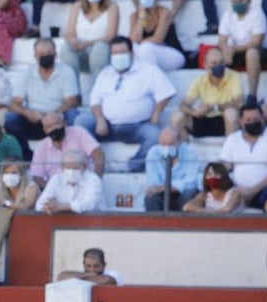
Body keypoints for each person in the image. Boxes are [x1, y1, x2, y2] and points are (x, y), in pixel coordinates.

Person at [75, 37, 175, 173]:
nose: (118, 56)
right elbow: (95, 101)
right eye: (115, 53)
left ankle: (132, 167)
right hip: (107, 126)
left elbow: (167, 92)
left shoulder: (148, 70)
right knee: (81, 122)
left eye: (122, 53)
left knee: (154, 135)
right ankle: (92, 164)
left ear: (131, 53)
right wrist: (99, 119)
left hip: (137, 126)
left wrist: (156, 113)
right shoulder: (105, 73)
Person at [5, 40, 81, 148]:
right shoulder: (28, 73)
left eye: (49, 53)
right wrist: (27, 113)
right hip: (34, 120)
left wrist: (53, 115)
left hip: (58, 119)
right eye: (41, 54)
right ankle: (25, 154)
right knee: (10, 119)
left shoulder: (66, 71)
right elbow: (15, 103)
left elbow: (72, 102)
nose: (45, 56)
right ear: (35, 57)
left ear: (55, 54)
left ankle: (69, 151)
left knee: (72, 115)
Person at [220, 101, 267, 208]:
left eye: (256, 120)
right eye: (248, 120)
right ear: (241, 122)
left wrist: (254, 190)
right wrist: (236, 189)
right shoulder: (232, 139)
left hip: (265, 190)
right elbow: (224, 168)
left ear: (263, 119)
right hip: (237, 191)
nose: (252, 122)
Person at [176, 47, 244, 138]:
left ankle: (230, 146)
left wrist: (215, 107)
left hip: (224, 120)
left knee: (231, 113)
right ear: (205, 65)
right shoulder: (199, 80)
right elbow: (183, 104)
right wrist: (194, 112)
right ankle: (185, 147)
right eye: (214, 63)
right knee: (177, 118)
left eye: (221, 62)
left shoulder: (233, 76)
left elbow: (239, 102)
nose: (218, 66)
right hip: (204, 119)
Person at [59, 0, 119, 76]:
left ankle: (100, 83)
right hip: (81, 51)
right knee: (66, 48)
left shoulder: (112, 7)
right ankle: (72, 84)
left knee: (100, 48)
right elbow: (69, 33)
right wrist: (73, 41)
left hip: (102, 53)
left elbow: (111, 36)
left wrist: (87, 43)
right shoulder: (77, 6)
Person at [29, 111, 103, 188]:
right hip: (56, 189)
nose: (53, 128)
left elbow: (98, 154)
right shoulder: (41, 147)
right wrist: (51, 189)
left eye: (56, 124)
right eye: (49, 126)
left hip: (83, 186)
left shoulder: (78, 132)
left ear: (64, 123)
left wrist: (96, 180)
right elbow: (36, 176)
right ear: (44, 130)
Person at [218, 0, 267, 97]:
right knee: (214, 55)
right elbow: (222, 40)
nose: (238, 4)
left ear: (249, 1)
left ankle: (252, 95)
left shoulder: (257, 14)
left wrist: (233, 49)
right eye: (234, 1)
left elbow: (257, 42)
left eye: (241, 0)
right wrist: (225, 50)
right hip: (235, 51)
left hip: (259, 51)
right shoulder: (228, 15)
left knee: (251, 52)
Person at [130, 0, 185, 71]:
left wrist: (140, 43)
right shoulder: (134, 16)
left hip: (171, 52)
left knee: (145, 48)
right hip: (147, 54)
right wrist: (141, 17)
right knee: (135, 48)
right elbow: (133, 40)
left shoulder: (164, 12)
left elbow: (158, 39)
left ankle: (150, 76)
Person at [143, 126, 200, 211]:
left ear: (179, 142)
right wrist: (163, 188)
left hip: (181, 193)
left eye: (171, 144)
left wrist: (166, 187)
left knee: (190, 194)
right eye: (163, 144)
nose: (167, 147)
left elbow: (190, 182)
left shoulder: (190, 153)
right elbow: (153, 182)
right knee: (150, 198)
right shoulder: (153, 153)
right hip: (161, 193)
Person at [35, 148, 103, 214]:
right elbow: (39, 205)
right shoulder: (56, 179)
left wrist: (60, 206)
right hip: (62, 220)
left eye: (76, 168)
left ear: (84, 167)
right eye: (68, 168)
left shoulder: (93, 179)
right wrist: (49, 206)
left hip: (93, 220)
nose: (71, 171)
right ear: (62, 168)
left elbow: (90, 205)